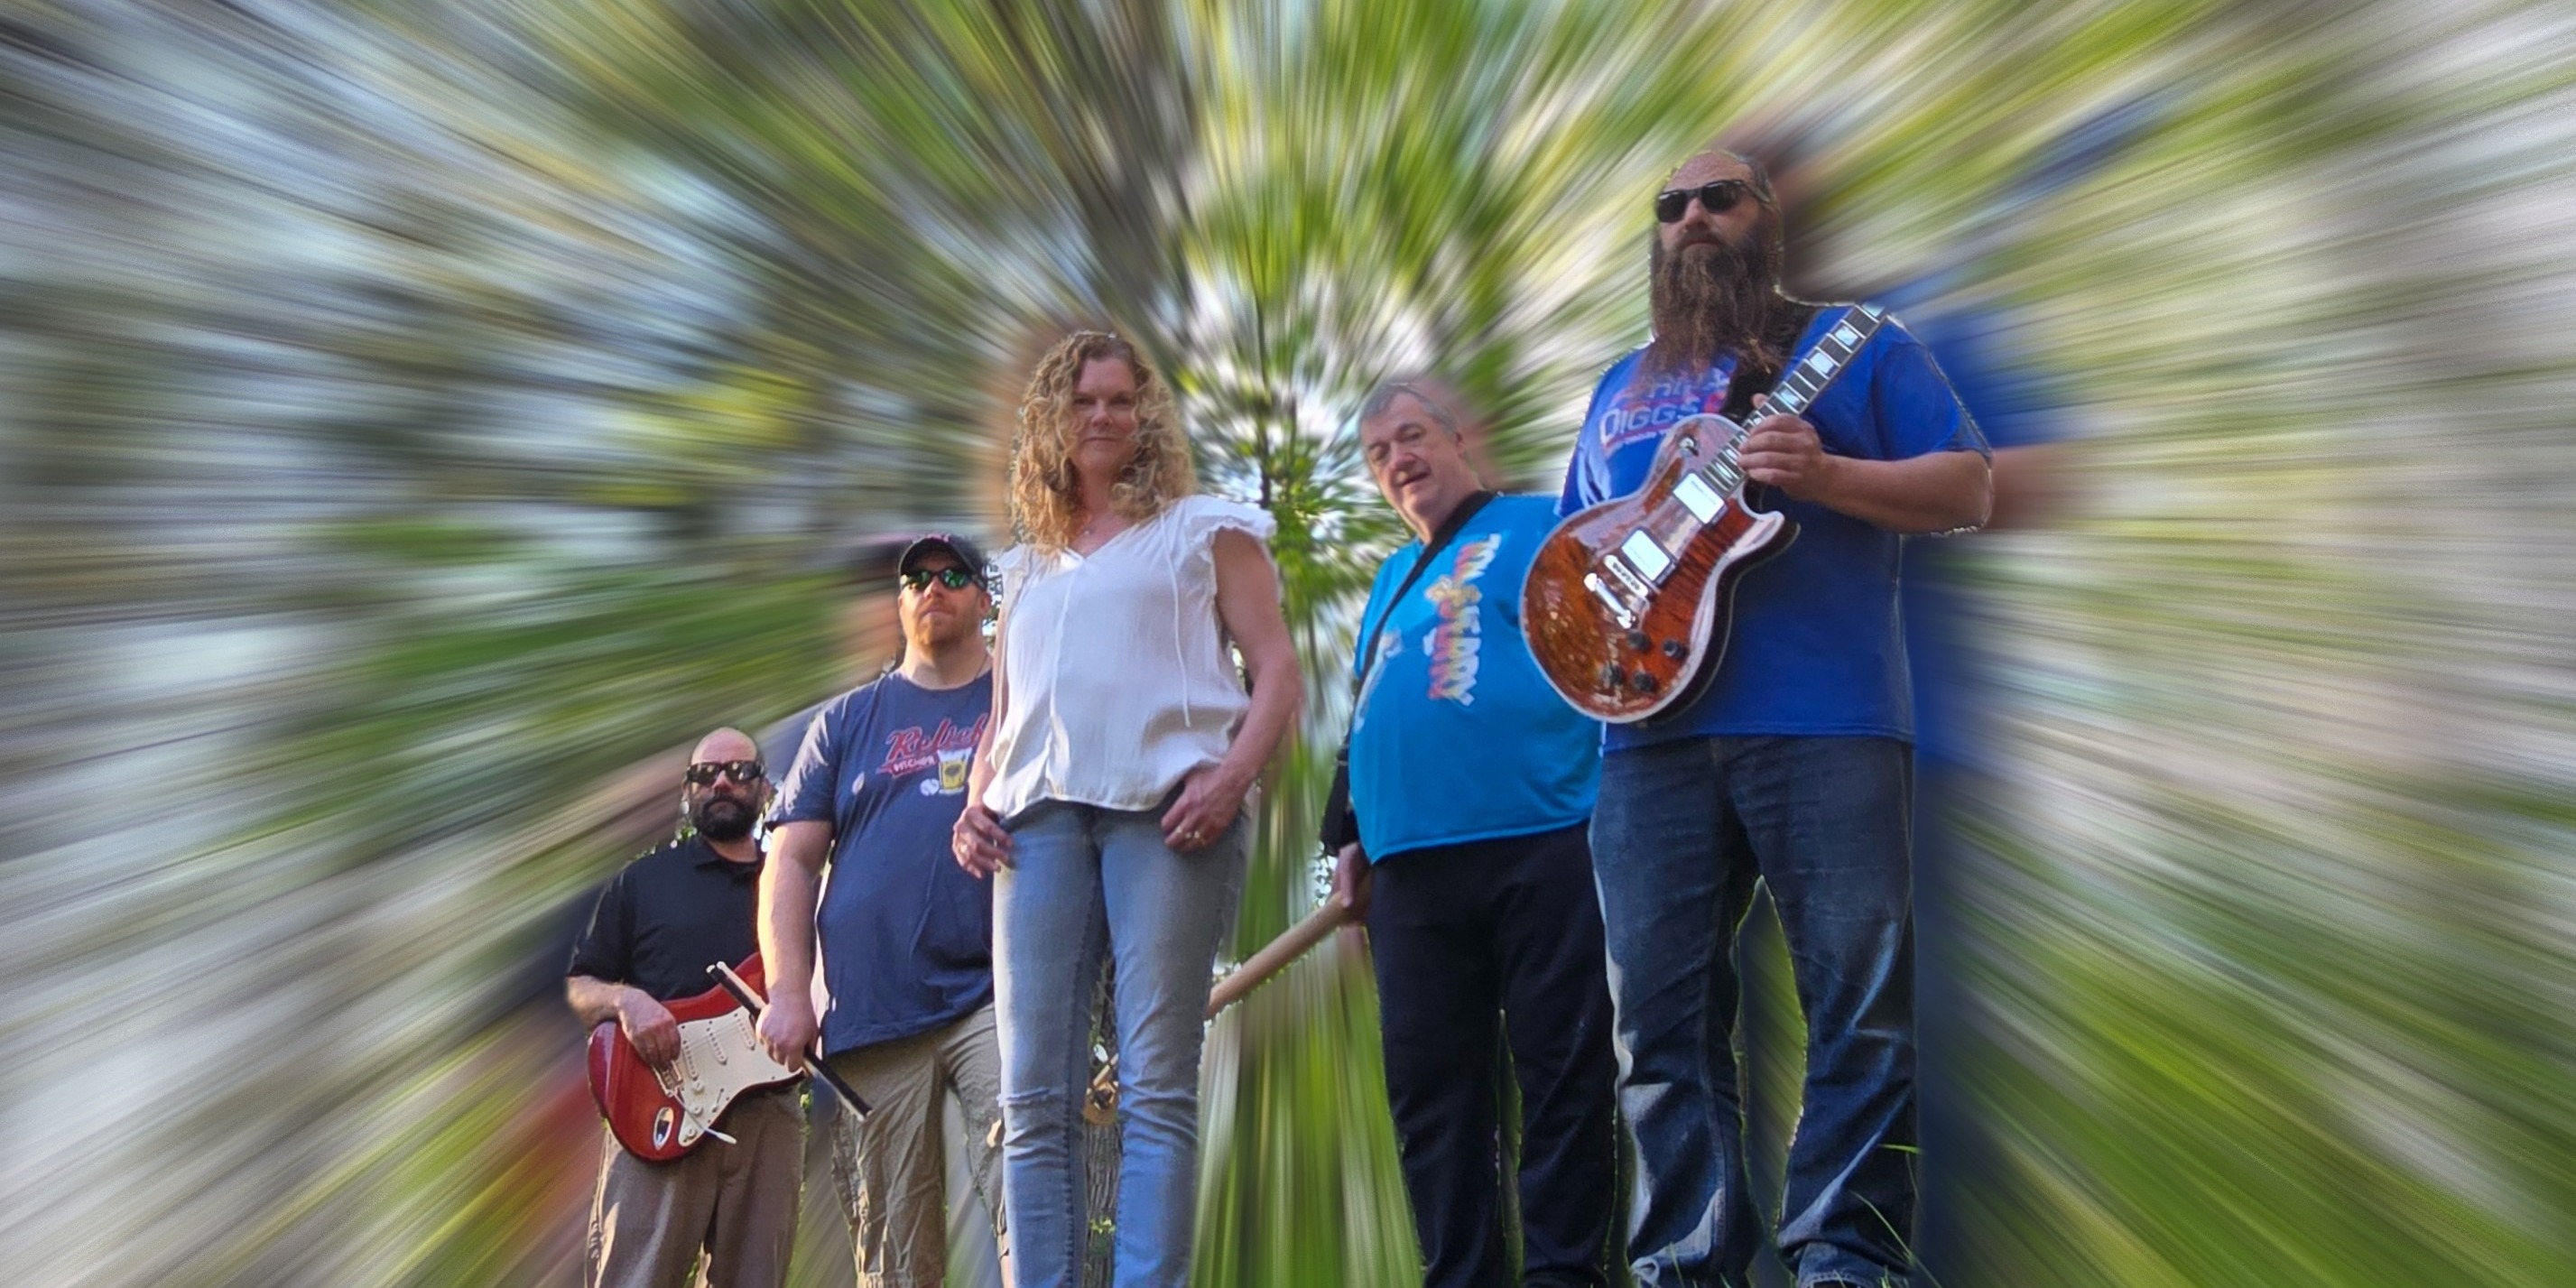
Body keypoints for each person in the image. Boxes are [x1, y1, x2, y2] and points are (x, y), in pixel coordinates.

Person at [1554, 148, 1991, 1288]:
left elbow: (1968, 485)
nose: (1692, 215)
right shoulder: (1615, 387)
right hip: (1643, 738)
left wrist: (1830, 476)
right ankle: (1685, 1262)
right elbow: (1574, 555)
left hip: (1826, 718)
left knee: (1855, 1003)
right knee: (1656, 1023)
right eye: (1670, 204)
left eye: (1719, 196)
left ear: (1766, 218)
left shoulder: (1852, 343)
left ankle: (1848, 1257)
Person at [949, 329, 1301, 1288]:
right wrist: (973, 802)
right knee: (1033, 1096)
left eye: (1119, 398)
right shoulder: (1025, 567)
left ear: (1145, 414)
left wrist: (1231, 777)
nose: (1101, 415)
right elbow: (1004, 717)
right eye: (1082, 400)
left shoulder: (1203, 529)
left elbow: (1276, 671)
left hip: (1167, 818)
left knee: (1155, 1082)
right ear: (1051, 419)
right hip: (1035, 832)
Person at [1328, 381, 1620, 1287]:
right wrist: (1347, 836)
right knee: (1431, 1095)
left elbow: (1622, 641)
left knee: (1561, 1072)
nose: (1398, 458)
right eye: (1379, 452)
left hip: (1544, 834)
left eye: (1412, 435)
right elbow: (1365, 711)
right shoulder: (1389, 581)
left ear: (1460, 439)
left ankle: (1564, 1274)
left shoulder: (1543, 521)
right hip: (1408, 867)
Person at [755, 533, 1007, 1288]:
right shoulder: (846, 721)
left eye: (953, 574)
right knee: (895, 1251)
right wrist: (788, 990)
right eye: (917, 578)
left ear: (985, 598)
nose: (934, 587)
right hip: (874, 1009)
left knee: (1029, 1191)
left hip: (1001, 991)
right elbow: (790, 862)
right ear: (899, 603)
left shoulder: (1022, 697)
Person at [568, 728, 804, 1288]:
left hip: (768, 1114)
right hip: (659, 1105)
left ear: (765, 789)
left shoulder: (794, 885)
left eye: (739, 771)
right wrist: (627, 1000)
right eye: (705, 773)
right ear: (687, 791)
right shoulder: (642, 881)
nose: (721, 782)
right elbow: (582, 985)